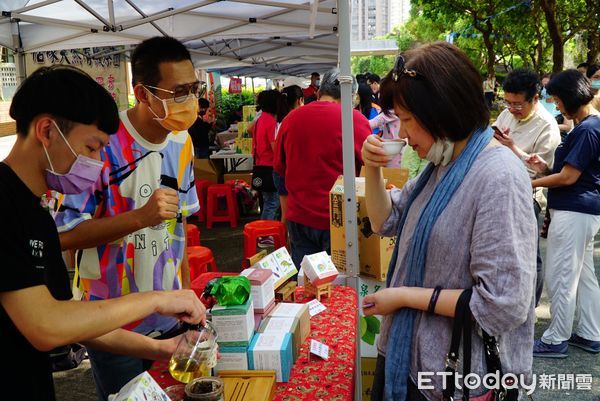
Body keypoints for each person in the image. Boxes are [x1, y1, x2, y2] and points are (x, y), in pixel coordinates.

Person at [0, 65, 205, 401]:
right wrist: (157, 298)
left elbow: (71, 317)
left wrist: (162, 348)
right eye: (92, 147)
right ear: (47, 130)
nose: (96, 163)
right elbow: (45, 326)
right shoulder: (4, 204)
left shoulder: (38, 215)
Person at [362, 42, 536, 401]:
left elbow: (503, 303)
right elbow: (386, 221)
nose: (404, 136)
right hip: (414, 359)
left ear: (442, 111)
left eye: (408, 121)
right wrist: (372, 171)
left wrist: (403, 297)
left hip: (454, 377)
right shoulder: (441, 166)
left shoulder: (498, 175)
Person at [53, 37, 203, 400]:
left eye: (193, 89)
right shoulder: (99, 144)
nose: (189, 101)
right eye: (178, 92)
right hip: (112, 324)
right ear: (143, 93)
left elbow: (179, 227)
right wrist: (139, 217)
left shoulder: (182, 142)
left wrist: (187, 293)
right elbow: (62, 234)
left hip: (171, 316)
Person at [529, 70, 600, 358]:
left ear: (570, 98)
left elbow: (569, 177)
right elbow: (568, 172)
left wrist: (529, 182)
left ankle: (556, 338)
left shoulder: (586, 130)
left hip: (573, 210)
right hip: (582, 211)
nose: (556, 107)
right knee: (583, 276)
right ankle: (589, 333)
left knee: (562, 275)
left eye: (558, 101)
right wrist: (543, 170)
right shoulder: (587, 126)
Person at [274, 68, 371, 268]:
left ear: (318, 92)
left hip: (299, 218)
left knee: (307, 284)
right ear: (351, 96)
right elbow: (371, 169)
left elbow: (279, 171)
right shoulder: (355, 120)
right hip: (340, 220)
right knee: (340, 287)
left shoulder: (290, 120)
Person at [492, 68, 561, 306]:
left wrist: (512, 147)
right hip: (498, 191)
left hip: (527, 196)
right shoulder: (506, 115)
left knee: (529, 256)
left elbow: (544, 170)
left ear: (535, 98)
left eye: (518, 104)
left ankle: (529, 306)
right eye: (508, 102)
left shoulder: (547, 126)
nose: (512, 109)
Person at [252, 89, 281, 246]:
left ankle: (264, 234)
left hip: (260, 166)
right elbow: (274, 148)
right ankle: (265, 236)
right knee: (272, 203)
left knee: (268, 202)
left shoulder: (260, 119)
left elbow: (250, 130)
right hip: (269, 168)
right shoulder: (270, 121)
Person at [273, 85, 304, 227]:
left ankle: (284, 246)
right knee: (288, 218)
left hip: (280, 171)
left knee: (286, 215)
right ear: (299, 100)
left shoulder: (280, 121)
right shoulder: (293, 121)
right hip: (286, 172)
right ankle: (285, 247)